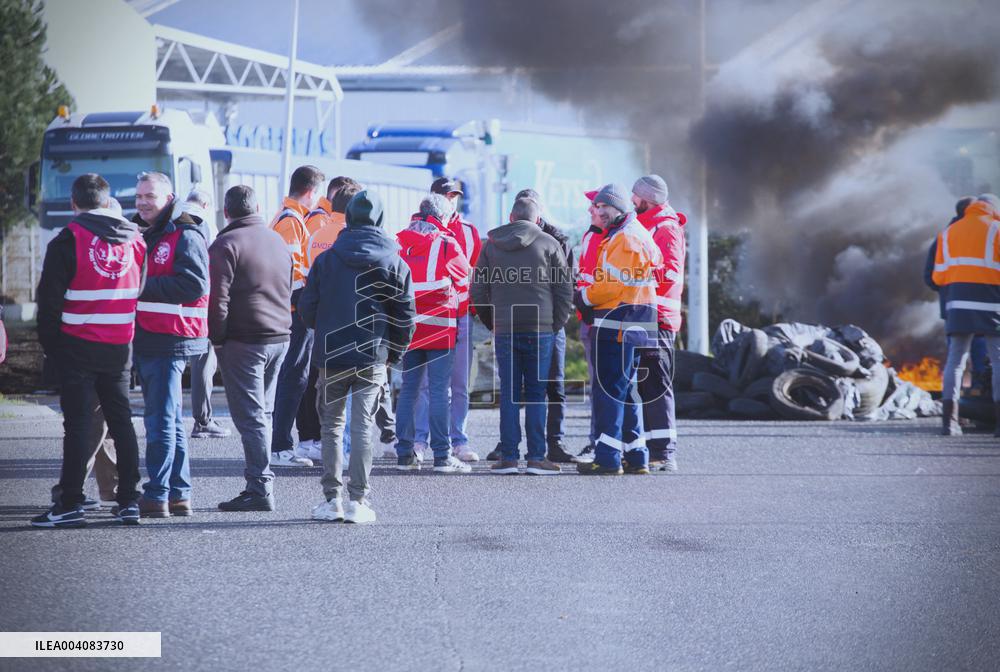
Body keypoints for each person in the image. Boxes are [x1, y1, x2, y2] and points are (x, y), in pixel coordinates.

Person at [32, 173, 146, 527]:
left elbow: (48, 304)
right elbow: (139, 290)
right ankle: (129, 500)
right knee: (122, 422)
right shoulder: (136, 240)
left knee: (78, 426)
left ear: (74, 203)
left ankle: (69, 503)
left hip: (77, 345)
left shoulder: (67, 239)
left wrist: (53, 350)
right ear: (108, 201)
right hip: (120, 346)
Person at [298, 190, 415, 523]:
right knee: (362, 426)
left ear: (348, 218)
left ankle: (331, 500)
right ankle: (358, 501)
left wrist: (323, 329)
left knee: (332, 427)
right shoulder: (394, 261)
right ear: (380, 219)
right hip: (372, 355)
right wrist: (394, 353)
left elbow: (307, 309)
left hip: (332, 354)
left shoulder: (327, 260)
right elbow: (405, 316)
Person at [471, 197, 573, 475]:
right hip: (541, 329)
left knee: (510, 392)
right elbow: (565, 290)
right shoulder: (550, 244)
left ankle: (508, 458)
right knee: (537, 393)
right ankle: (537, 458)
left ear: (511, 217)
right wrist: (555, 324)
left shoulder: (491, 245)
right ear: (537, 219)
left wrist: (493, 322)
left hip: (506, 328)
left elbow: (477, 290)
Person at [209, 185, 293, 511]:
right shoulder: (277, 240)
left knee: (251, 417)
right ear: (257, 208)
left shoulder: (226, 245)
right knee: (264, 413)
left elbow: (217, 300)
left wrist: (217, 339)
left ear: (226, 212)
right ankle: (259, 483)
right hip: (280, 337)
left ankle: (260, 487)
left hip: (245, 340)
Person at [132, 171, 209, 517]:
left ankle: (157, 494)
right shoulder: (150, 231)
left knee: (160, 420)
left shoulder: (185, 233)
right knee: (170, 419)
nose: (142, 202)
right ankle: (178, 494)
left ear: (168, 198)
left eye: (150, 196)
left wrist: (138, 285)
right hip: (155, 335)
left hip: (170, 336)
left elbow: (195, 284)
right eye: (139, 196)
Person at [573, 183, 662, 475]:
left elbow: (610, 286)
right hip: (636, 324)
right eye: (597, 206)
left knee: (610, 392)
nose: (599, 211)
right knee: (627, 391)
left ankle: (608, 458)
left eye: (604, 207)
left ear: (619, 208)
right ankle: (636, 456)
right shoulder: (637, 234)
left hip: (618, 325)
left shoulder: (624, 238)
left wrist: (582, 297)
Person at [394, 194, 472, 473]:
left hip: (408, 329)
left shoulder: (400, 243)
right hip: (440, 329)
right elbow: (464, 283)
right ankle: (442, 456)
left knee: (408, 390)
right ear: (443, 217)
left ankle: (405, 454)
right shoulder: (447, 243)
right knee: (440, 391)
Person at [414, 177, 481, 463]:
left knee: (459, 383)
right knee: (425, 384)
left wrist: (474, 309)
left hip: (461, 315)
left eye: (454, 196)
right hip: (429, 316)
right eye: (445, 196)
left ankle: (459, 440)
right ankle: (420, 440)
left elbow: (475, 274)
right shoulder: (415, 228)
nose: (450, 201)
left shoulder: (469, 232)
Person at [296, 177, 363, 462]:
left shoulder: (315, 235)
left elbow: (307, 285)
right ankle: (346, 450)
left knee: (328, 392)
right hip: (353, 323)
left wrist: (314, 320)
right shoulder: (357, 238)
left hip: (324, 323)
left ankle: (331, 447)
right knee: (355, 394)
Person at [513, 188, 580, 464]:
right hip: (516, 323)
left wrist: (557, 322)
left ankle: (555, 443)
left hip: (550, 324)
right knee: (515, 388)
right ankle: (509, 445)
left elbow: (568, 286)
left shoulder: (559, 241)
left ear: (539, 214)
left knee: (554, 385)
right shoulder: (505, 238)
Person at [926, 194, 1000, 437]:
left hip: (958, 306)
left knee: (955, 362)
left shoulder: (948, 233)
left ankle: (950, 422)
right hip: (992, 305)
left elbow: (937, 277)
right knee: (998, 361)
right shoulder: (996, 229)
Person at [270, 165, 326, 468]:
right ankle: (280, 447)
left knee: (295, 377)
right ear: (311, 191)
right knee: (293, 377)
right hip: (294, 312)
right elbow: (292, 275)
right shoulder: (292, 222)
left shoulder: (287, 217)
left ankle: (287, 444)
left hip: (290, 310)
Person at [632, 175, 686, 472]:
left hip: (658, 317)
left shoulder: (665, 228)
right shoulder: (649, 224)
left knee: (656, 384)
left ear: (647, 199)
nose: (632, 200)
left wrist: (634, 281)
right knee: (645, 383)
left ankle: (664, 452)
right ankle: (652, 449)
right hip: (645, 314)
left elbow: (670, 273)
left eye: (635, 196)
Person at [184, 188, 230, 440]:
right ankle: (202, 420)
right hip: (200, 306)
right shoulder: (204, 224)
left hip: (166, 308)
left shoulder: (171, 222)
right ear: (205, 204)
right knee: (203, 361)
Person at [573, 189, 604, 462]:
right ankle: (600, 441)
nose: (589, 210)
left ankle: (602, 443)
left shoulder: (608, 237)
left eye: (594, 205)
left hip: (602, 319)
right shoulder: (591, 235)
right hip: (591, 318)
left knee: (604, 387)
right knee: (599, 387)